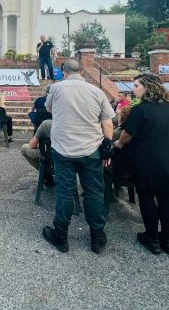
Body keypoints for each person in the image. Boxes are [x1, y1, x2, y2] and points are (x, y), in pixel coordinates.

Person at [42, 59, 114, 255]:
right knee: (94, 193)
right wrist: (108, 145)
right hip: (90, 147)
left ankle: (61, 236)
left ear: (63, 72)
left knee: (65, 192)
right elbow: (107, 122)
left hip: (63, 147)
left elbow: (48, 109)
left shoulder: (57, 89)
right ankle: (97, 237)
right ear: (82, 72)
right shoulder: (96, 91)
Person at [114, 73, 169, 256]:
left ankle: (152, 238)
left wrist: (119, 144)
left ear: (147, 87)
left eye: (136, 85)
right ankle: (168, 241)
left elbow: (127, 134)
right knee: (167, 198)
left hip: (148, 160)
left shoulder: (141, 109)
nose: (134, 89)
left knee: (147, 197)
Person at [21, 118, 54, 186]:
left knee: (24, 148)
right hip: (71, 158)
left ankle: (46, 172)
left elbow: (32, 145)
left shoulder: (46, 124)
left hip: (49, 156)